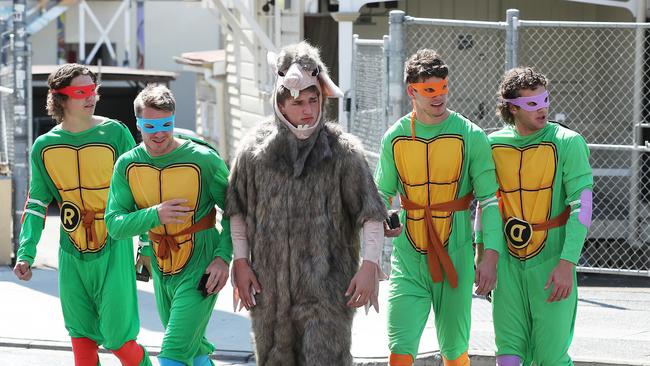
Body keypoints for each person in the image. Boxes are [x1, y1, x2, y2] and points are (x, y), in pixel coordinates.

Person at [226, 41, 387, 366]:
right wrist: (240, 262)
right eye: (298, 102)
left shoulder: (343, 152)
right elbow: (237, 210)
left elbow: (371, 214)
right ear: (280, 103)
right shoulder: (254, 152)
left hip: (327, 291)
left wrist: (370, 264)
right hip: (269, 292)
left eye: (313, 100)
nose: (308, 109)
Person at [13, 63, 151, 366]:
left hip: (113, 246)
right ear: (60, 98)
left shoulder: (115, 132)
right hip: (71, 250)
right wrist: (26, 252)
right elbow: (37, 203)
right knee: (81, 340)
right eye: (81, 92)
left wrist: (146, 245)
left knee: (121, 341)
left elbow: (140, 190)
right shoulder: (44, 146)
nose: (91, 97)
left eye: (93, 90)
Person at [374, 49, 505, 366]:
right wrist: (384, 218)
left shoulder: (470, 135)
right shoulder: (396, 137)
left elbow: (490, 201)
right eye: (429, 90)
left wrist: (490, 255)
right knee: (400, 346)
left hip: (456, 254)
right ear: (412, 92)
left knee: (455, 348)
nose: (439, 96)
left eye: (443, 87)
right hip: (408, 256)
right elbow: (381, 194)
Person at [105, 84, 232, 366]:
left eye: (166, 124)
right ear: (137, 124)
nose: (159, 133)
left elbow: (237, 212)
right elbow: (114, 224)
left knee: (173, 352)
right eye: (150, 125)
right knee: (193, 349)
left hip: (202, 266)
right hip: (162, 267)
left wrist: (224, 258)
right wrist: (154, 215)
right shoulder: (127, 165)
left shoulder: (204, 159)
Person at [475, 67, 593, 365]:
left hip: (552, 260)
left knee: (550, 358)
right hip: (508, 264)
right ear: (512, 107)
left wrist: (567, 263)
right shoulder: (492, 145)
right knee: (508, 355)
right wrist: (482, 254)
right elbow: (486, 203)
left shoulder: (568, 142)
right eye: (531, 103)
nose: (542, 108)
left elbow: (585, 205)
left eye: (544, 99)